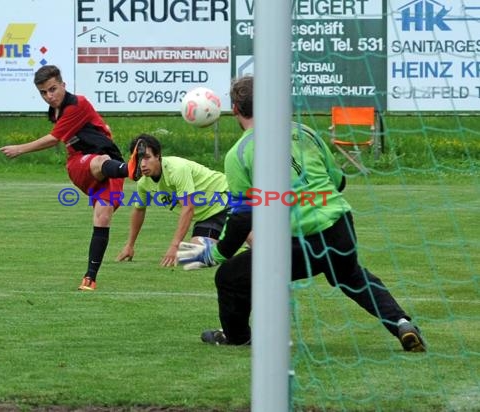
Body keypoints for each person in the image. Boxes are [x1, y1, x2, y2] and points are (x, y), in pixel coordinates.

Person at [178, 75, 426, 352]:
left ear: (235, 109)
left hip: (301, 239)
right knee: (351, 276)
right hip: (341, 225)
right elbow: (339, 180)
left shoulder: (239, 153)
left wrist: (217, 253)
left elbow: (242, 216)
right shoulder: (304, 132)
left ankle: (238, 337)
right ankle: (402, 323)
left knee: (230, 276)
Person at [0, 65, 146, 291]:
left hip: (111, 169)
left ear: (64, 85)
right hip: (80, 164)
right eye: (43, 92)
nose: (49, 96)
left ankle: (90, 278)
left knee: (102, 217)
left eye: (53, 89)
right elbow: (62, 136)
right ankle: (130, 168)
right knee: (100, 159)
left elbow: (54, 138)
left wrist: (20, 149)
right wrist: (102, 129)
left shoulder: (77, 104)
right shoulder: (58, 111)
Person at [116, 134, 232, 268]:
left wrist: (174, 245)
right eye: (139, 158)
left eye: (147, 158)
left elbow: (188, 208)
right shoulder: (143, 182)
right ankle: (236, 247)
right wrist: (129, 245)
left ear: (158, 156)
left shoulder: (177, 169)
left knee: (252, 243)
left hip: (228, 199)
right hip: (207, 217)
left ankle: (244, 243)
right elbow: (139, 210)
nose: (142, 164)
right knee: (194, 257)